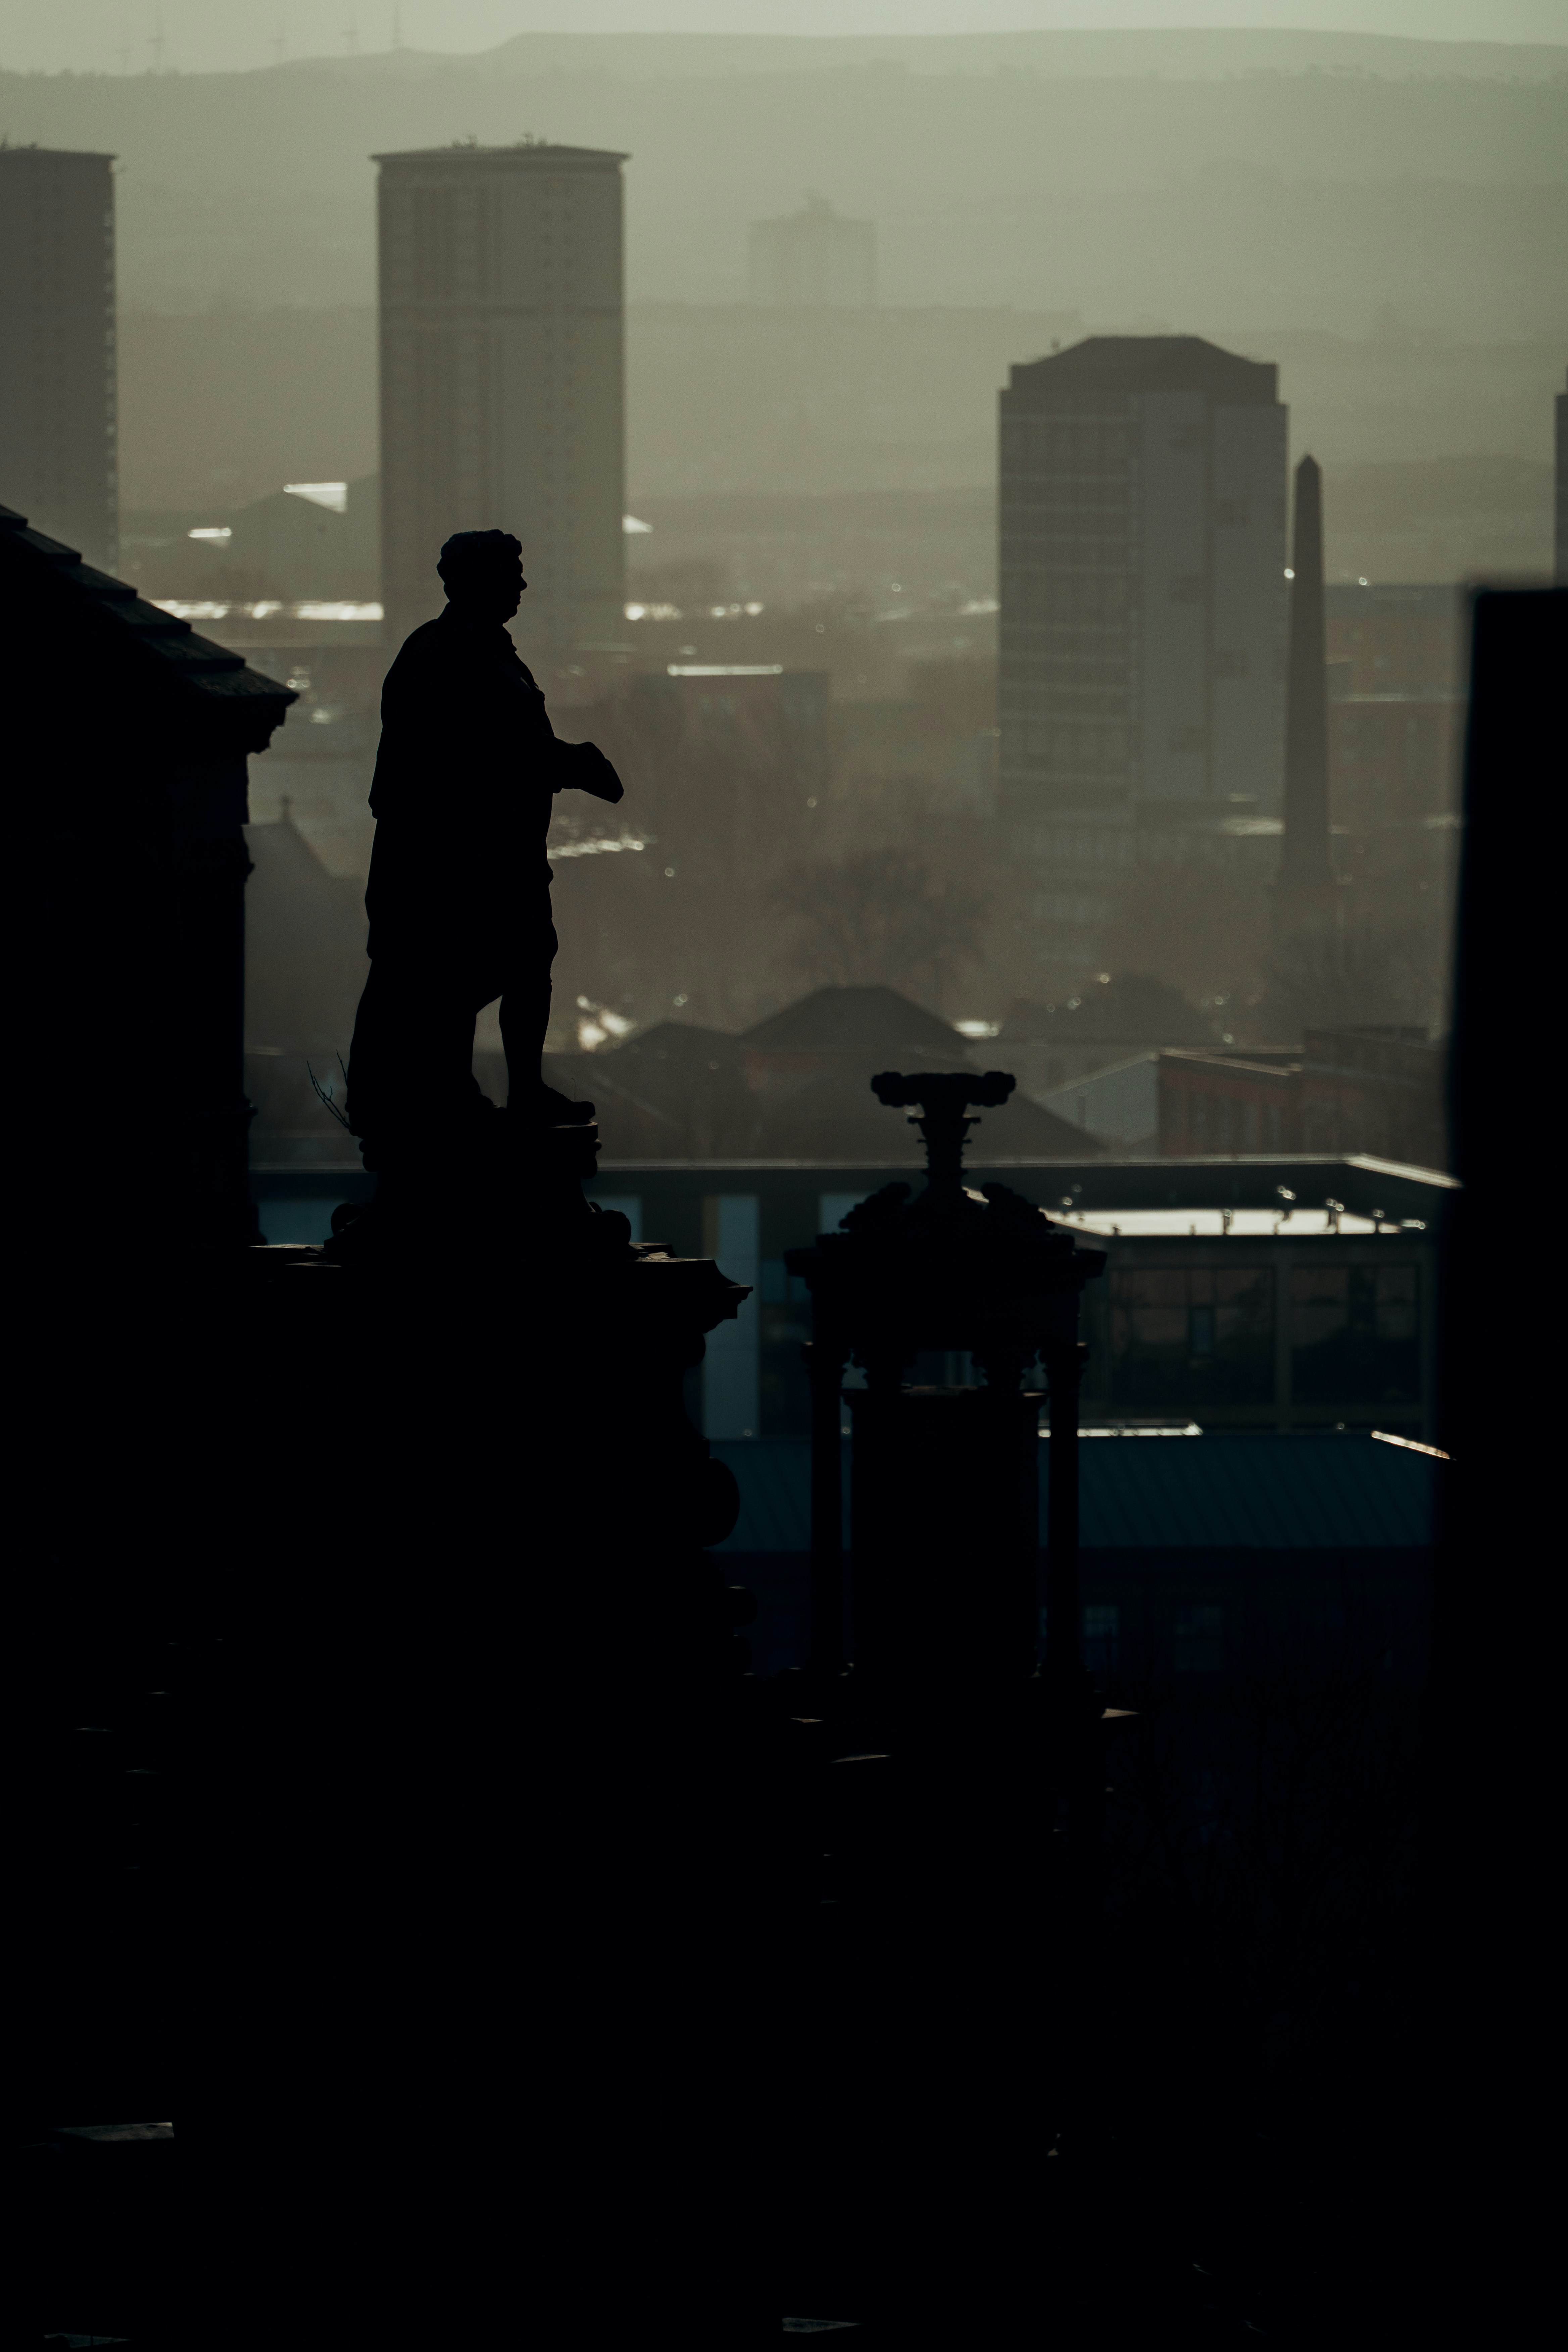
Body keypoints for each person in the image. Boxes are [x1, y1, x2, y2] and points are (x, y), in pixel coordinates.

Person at [344, 529, 624, 1163]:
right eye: (511, 575)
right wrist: (572, 762)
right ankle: (452, 1093)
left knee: (524, 959)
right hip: (453, 863)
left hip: (501, 855)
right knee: (458, 974)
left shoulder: (489, 651)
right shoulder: (443, 654)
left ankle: (515, 1090)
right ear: (472, 583)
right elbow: (475, 755)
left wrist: (563, 763)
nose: (522, 586)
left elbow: (508, 746)